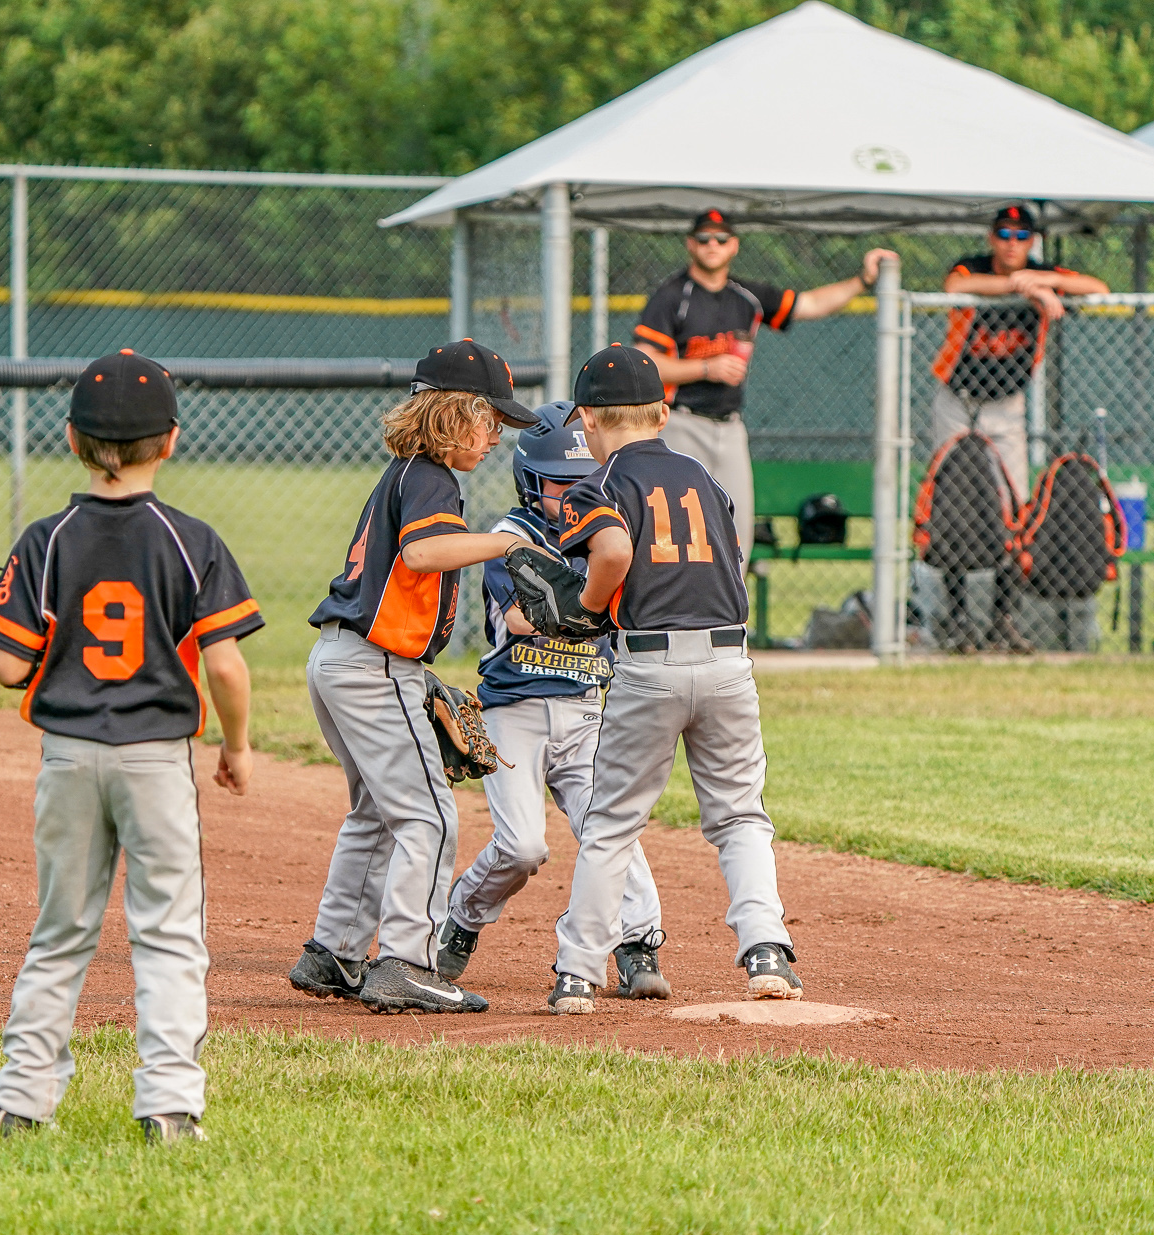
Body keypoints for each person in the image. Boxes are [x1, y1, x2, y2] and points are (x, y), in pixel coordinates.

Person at [0, 350, 264, 1147]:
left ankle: (22, 1102)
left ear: (71, 438)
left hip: (67, 754)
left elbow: (1, 658)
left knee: (61, 925)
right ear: (169, 442)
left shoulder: (49, 537)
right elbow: (227, 664)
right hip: (156, 757)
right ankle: (169, 1104)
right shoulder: (187, 537)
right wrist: (235, 745)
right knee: (168, 929)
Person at [544, 344, 798, 1016]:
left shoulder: (597, 486)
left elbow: (615, 550)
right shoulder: (704, 476)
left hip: (650, 664)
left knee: (612, 824)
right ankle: (766, 947)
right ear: (663, 411)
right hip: (728, 660)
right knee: (741, 815)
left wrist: (588, 608)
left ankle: (576, 972)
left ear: (587, 421)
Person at [287, 339, 538, 1014]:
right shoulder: (430, 477)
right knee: (427, 816)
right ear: (456, 415)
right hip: (374, 667)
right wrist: (507, 541)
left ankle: (334, 951)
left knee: (376, 813)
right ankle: (408, 962)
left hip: (341, 661)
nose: (493, 438)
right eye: (489, 421)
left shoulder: (403, 474)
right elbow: (425, 551)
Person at [433, 401, 670, 1000]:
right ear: (529, 481)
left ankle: (637, 942)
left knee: (609, 828)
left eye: (583, 483)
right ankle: (462, 916)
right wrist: (597, 598)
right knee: (522, 846)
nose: (571, 496)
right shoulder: (508, 539)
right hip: (514, 710)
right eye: (558, 485)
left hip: (588, 710)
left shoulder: (607, 528)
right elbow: (521, 619)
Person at [633, 208, 897, 563]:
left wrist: (862, 280)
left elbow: (812, 304)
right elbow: (644, 362)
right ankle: (682, 612)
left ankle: (732, 613)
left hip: (730, 426)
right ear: (690, 245)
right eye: (704, 238)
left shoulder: (747, 297)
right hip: (680, 423)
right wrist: (706, 367)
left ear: (734, 246)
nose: (713, 245)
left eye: (721, 238)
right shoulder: (671, 296)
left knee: (737, 524)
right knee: (679, 527)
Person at [931, 204, 1109, 652]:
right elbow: (958, 285)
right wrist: (1018, 286)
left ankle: (1001, 621)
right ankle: (956, 623)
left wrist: (1042, 284)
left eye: (1021, 236)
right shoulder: (974, 267)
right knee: (954, 505)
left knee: (1013, 509)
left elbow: (1097, 288)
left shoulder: (1042, 270)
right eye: (1004, 234)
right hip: (957, 398)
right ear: (992, 238)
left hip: (1007, 406)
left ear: (1032, 241)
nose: (1012, 244)